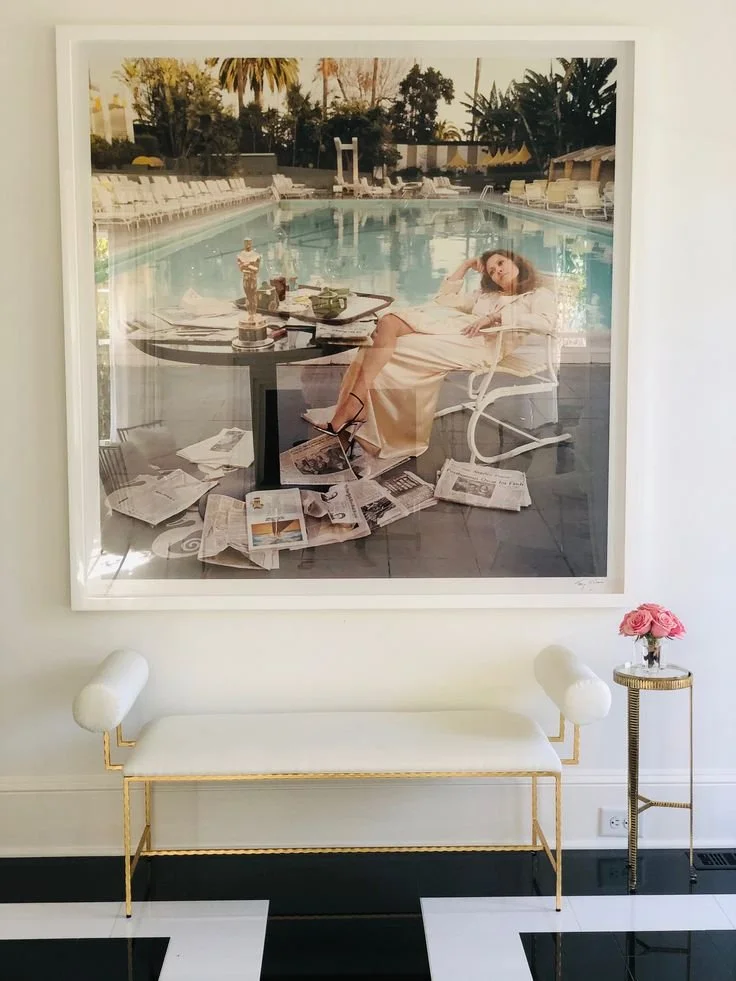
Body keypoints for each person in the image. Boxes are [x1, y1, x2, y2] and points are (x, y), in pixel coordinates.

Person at [305, 249, 557, 460]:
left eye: (500, 263)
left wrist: (496, 316)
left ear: (515, 260)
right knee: (386, 333)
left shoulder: (537, 294)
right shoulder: (488, 294)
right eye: (491, 270)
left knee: (389, 344)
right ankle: (356, 408)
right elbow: (444, 299)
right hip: (459, 335)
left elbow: (546, 323)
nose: (497, 271)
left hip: (483, 347)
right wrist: (467, 265)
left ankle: (355, 411)